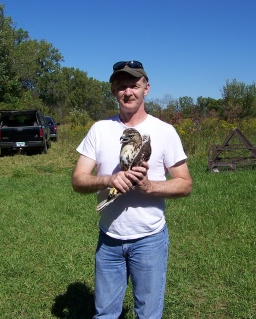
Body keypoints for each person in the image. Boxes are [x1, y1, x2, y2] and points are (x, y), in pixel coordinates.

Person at [72, 60, 193, 319]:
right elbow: (78, 180)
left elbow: (185, 184)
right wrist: (108, 180)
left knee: (148, 314)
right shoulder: (100, 129)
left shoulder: (164, 131)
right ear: (113, 91)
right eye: (121, 86)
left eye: (134, 85)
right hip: (109, 240)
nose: (128, 92)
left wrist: (149, 186)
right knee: (104, 314)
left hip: (149, 240)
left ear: (146, 88)